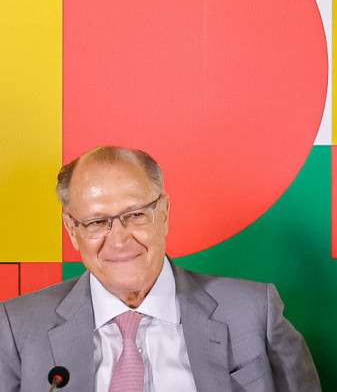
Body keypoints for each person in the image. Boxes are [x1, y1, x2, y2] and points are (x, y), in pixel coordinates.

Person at [0, 146, 319, 391]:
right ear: (72, 230)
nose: (119, 239)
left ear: (164, 212)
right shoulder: (18, 328)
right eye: (97, 222)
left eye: (136, 215)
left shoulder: (253, 313)